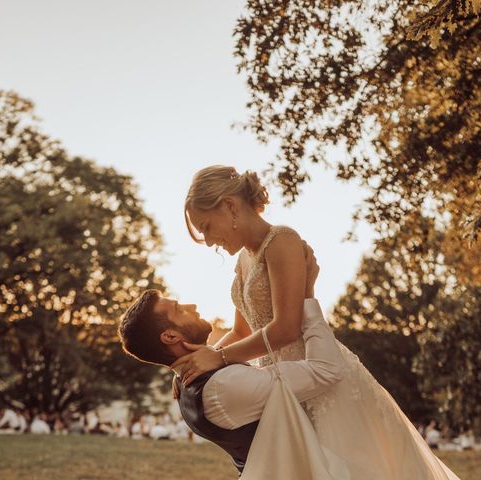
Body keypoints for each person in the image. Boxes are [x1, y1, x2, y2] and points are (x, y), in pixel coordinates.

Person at [173, 165, 461, 479]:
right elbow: (242, 331)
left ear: (229, 206)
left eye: (206, 226)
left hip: (321, 374)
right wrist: (195, 365)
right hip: (284, 386)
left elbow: (286, 328)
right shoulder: (245, 258)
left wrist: (218, 357)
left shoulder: (281, 241)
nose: (208, 240)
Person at [118, 249, 346, 475]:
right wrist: (306, 295)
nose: (192, 307)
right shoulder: (222, 385)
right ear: (170, 337)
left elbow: (239, 334)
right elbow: (326, 370)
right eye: (179, 310)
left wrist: (247, 277)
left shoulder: (190, 378)